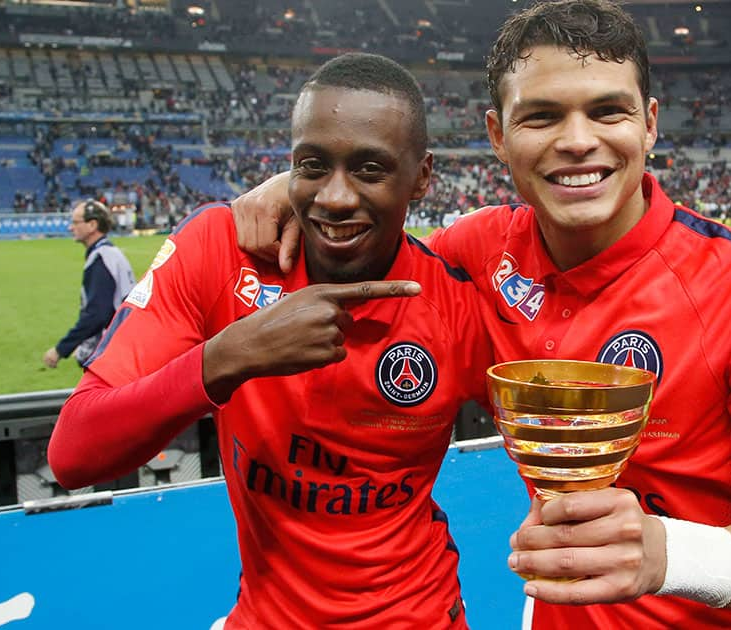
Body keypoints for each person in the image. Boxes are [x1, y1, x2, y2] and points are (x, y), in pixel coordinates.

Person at [229, 1, 731, 628]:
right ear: (497, 137)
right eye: (541, 117)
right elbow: (363, 229)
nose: (577, 141)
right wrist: (294, 187)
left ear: (648, 123)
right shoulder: (475, 254)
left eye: (607, 111)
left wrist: (667, 554)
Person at [47, 53, 492, 628]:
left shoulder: (455, 303)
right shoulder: (219, 251)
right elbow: (73, 453)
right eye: (312, 165)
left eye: (370, 169)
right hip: (266, 616)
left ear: (423, 176)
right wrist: (229, 357)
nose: (335, 197)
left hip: (417, 614)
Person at [43, 198, 135, 369]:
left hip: (113, 354)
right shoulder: (108, 254)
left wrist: (61, 349)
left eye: (76, 222)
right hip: (123, 346)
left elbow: (97, 314)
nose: (71, 227)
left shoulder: (102, 258)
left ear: (92, 225)